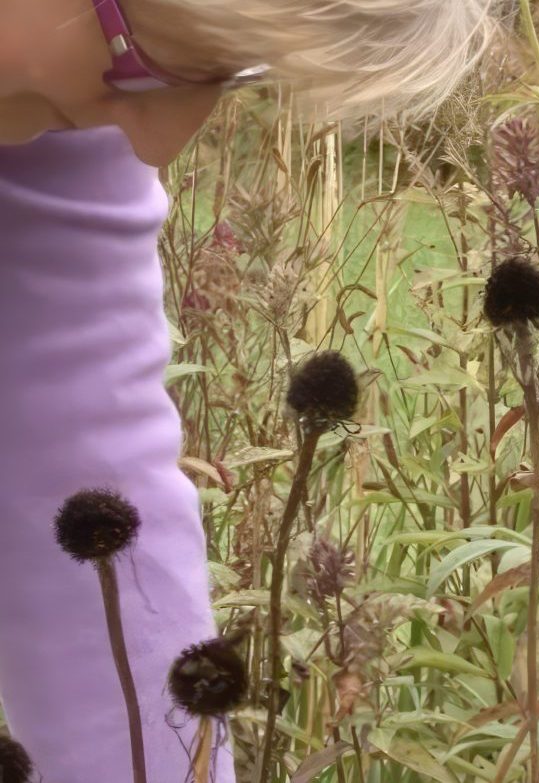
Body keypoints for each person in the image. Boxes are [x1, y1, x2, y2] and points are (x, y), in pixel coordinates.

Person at [0, 0, 494, 780]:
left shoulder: (59, 134)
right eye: (143, 58)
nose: (160, 138)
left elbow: (87, 475)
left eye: (227, 78)